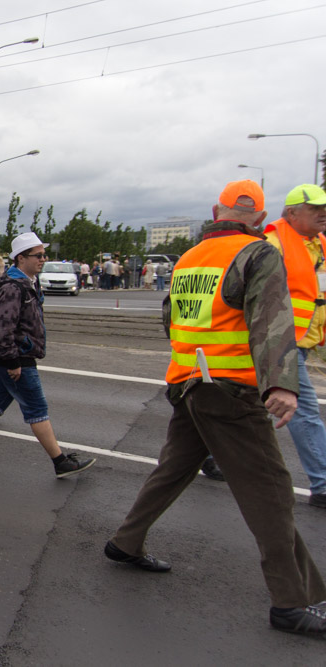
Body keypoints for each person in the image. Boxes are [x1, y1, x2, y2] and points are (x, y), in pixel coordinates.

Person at [104, 179, 326, 637]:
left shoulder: (187, 259)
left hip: (187, 382)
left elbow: (171, 318)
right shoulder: (258, 253)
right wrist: (281, 386)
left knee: (174, 468)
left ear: (215, 211)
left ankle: (125, 542)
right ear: (261, 220)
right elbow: (271, 318)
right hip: (229, 390)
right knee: (270, 490)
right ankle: (291, 601)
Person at [0, 232, 96, 477]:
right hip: (17, 358)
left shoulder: (27, 282)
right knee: (37, 409)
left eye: (44, 255)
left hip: (14, 356)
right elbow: (3, 328)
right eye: (38, 255)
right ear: (21, 258)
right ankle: (60, 461)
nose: (43, 259)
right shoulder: (13, 288)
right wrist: (12, 361)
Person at [262, 183, 326, 509]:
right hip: (281, 342)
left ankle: (211, 453)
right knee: (304, 411)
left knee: (246, 404)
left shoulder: (319, 245)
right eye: (315, 208)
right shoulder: (274, 244)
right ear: (292, 213)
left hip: (305, 340)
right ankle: (323, 484)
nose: (323, 212)